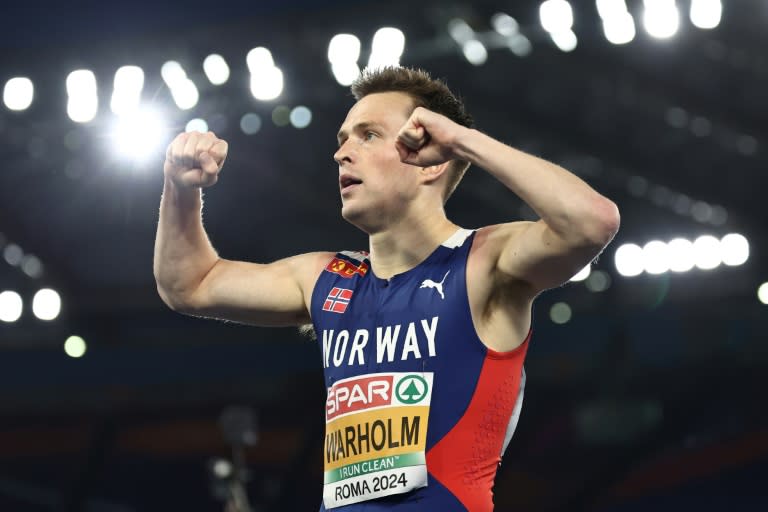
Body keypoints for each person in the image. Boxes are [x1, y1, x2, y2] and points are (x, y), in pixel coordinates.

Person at [154, 66, 620, 511]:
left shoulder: (484, 263)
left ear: (431, 161)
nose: (341, 153)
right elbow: (189, 284)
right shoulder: (325, 279)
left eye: (368, 135)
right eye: (343, 139)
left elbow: (591, 222)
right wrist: (180, 188)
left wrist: (464, 141)